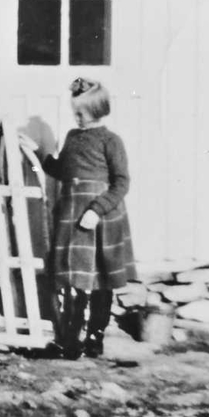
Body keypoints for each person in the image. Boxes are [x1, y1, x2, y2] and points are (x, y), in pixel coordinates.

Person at [23, 78, 136, 359]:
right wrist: (37, 153)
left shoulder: (111, 141)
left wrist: (96, 210)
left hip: (100, 220)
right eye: (75, 112)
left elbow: (121, 183)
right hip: (72, 214)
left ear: (98, 110)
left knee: (100, 280)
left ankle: (96, 338)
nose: (77, 117)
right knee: (74, 277)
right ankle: (70, 340)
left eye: (81, 113)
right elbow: (61, 170)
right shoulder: (73, 137)